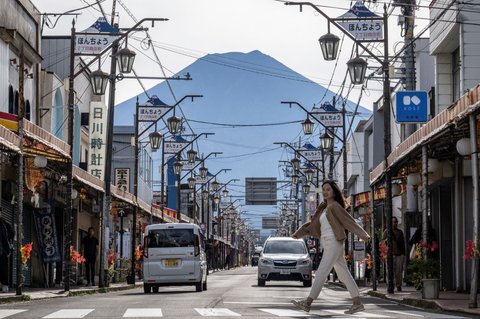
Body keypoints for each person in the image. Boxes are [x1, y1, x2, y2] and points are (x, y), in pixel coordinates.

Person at [291, 180, 370, 314]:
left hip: (334, 241)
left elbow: (349, 222)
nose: (325, 192)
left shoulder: (335, 206)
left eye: (328, 189)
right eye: (324, 190)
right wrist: (299, 234)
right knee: (343, 273)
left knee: (322, 271)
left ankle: (307, 303)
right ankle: (357, 303)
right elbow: (312, 225)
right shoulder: (323, 208)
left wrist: (364, 235)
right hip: (327, 243)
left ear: (334, 191)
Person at [383, 216, 405, 291]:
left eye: (396, 222)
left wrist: (404, 254)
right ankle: (390, 285)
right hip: (390, 254)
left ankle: (398, 285)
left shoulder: (400, 232)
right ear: (390, 223)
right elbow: (382, 242)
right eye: (394, 222)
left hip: (399, 254)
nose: (395, 223)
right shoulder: (386, 231)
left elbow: (403, 244)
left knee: (399, 271)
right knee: (390, 271)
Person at [0, 208, 14, 293]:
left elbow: (9, 236)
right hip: (3, 251)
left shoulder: (4, 225)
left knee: (3, 269)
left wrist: (8, 249)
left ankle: (4, 286)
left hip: (2, 251)